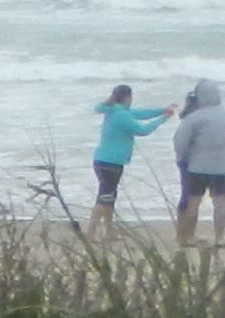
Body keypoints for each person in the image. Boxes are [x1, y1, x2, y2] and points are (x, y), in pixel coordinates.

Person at [90, 85, 174, 241]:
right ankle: (90, 233)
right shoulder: (121, 114)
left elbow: (140, 114)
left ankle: (109, 232)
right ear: (127, 97)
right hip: (111, 161)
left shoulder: (114, 110)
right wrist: (164, 118)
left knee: (109, 196)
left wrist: (162, 110)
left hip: (103, 159)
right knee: (104, 197)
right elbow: (142, 130)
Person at [176, 81, 225, 247]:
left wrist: (181, 158)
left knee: (193, 201)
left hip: (197, 166)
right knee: (220, 203)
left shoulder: (194, 117)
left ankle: (189, 236)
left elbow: (180, 142)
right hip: (222, 167)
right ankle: (219, 238)